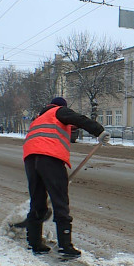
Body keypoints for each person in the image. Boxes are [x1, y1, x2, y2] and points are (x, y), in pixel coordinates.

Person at [22, 97, 110, 256]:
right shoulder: (59, 111)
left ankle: (34, 242)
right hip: (49, 158)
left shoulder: (39, 118)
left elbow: (72, 125)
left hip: (30, 159)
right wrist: (99, 131)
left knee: (37, 201)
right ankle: (65, 246)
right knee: (60, 201)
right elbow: (79, 119)